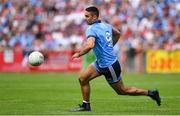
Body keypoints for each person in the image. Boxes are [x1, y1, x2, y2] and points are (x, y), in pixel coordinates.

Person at [70, 6, 161, 112]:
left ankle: (151, 93)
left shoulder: (91, 29)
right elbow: (117, 33)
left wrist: (79, 54)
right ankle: (86, 106)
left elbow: (90, 45)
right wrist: (109, 46)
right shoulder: (106, 25)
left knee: (122, 90)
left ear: (94, 17)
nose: (85, 18)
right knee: (82, 79)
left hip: (110, 66)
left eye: (87, 16)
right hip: (100, 63)